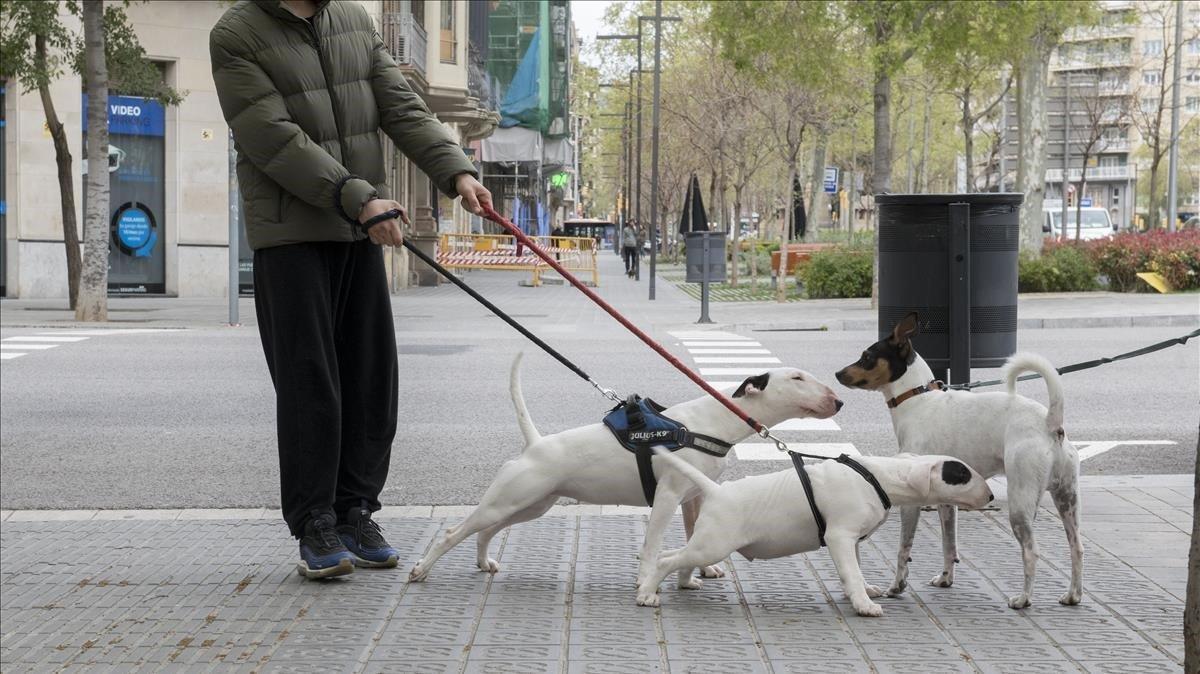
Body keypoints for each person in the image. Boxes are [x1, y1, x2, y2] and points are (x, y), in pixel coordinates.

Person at [210, 0, 492, 579]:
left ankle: (354, 510)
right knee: (311, 382)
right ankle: (315, 521)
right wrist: (359, 197)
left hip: (356, 228)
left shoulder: (354, 22)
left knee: (371, 379)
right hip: (292, 236)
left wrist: (455, 169)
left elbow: (401, 105)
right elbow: (274, 139)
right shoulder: (236, 34)